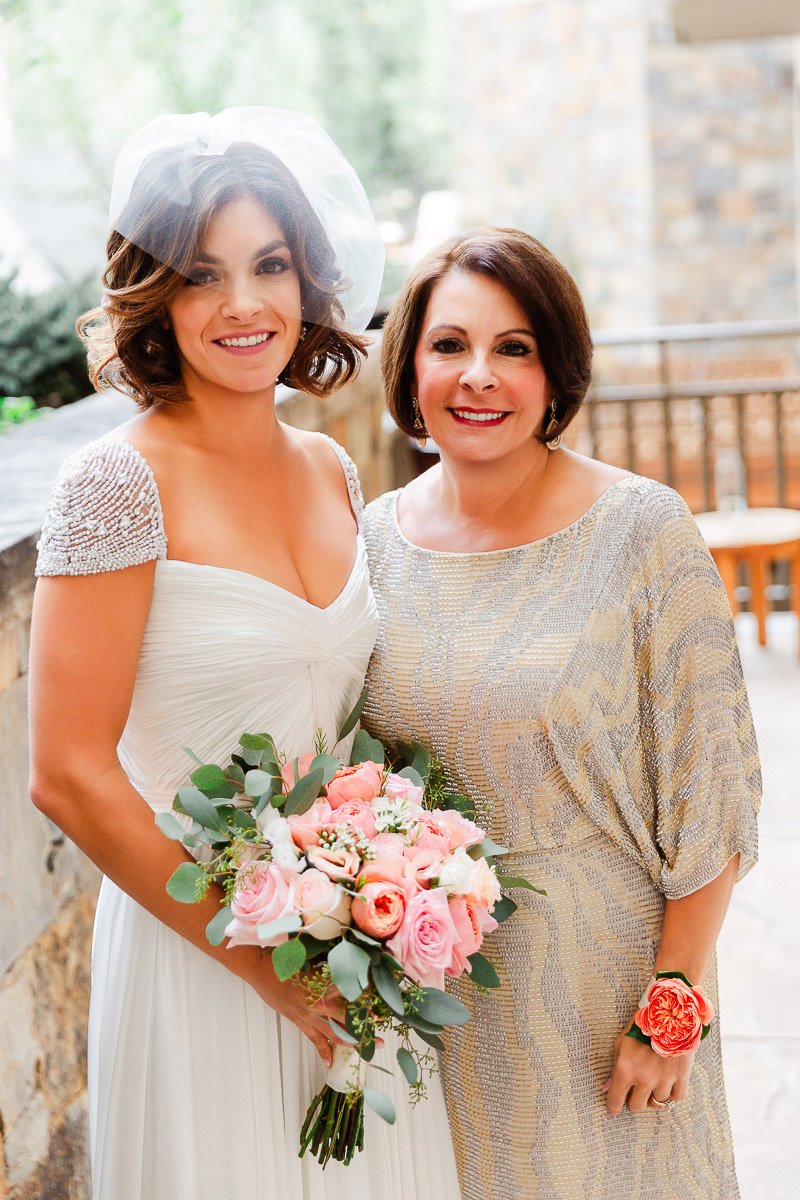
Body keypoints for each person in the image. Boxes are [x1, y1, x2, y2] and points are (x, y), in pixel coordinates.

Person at [28, 108, 460, 1200]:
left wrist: (398, 881)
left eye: (269, 265)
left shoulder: (330, 469)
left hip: (358, 950)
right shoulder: (115, 484)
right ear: (153, 300)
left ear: (308, 281)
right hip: (201, 955)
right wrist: (265, 969)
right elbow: (69, 773)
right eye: (200, 275)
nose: (242, 304)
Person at [362, 227, 760, 1200]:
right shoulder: (370, 542)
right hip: (435, 1000)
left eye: (514, 348)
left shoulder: (641, 529)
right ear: (409, 365)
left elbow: (715, 789)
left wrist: (671, 1005)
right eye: (448, 345)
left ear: (555, 373)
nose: (477, 377)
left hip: (609, 994)